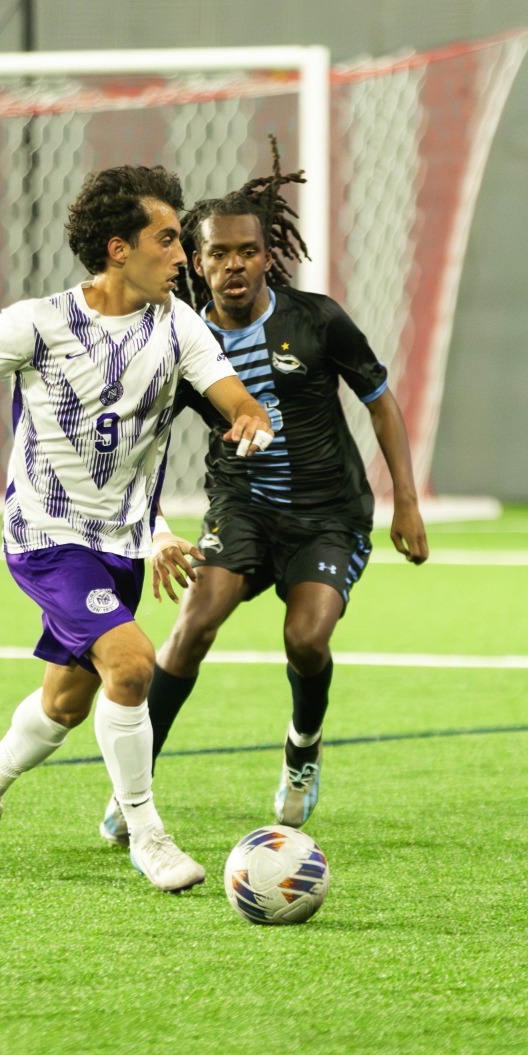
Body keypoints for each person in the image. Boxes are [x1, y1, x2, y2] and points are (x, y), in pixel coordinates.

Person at [0, 165, 275, 894]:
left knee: (64, 703)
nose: (183, 256)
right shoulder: (41, 322)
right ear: (119, 248)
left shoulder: (179, 324)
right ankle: (146, 830)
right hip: (46, 535)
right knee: (133, 664)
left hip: (120, 541)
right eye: (169, 239)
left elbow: (230, 393)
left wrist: (250, 416)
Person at [102, 151, 429, 845]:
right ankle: (136, 792)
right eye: (219, 253)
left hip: (328, 514)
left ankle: (303, 745)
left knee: (306, 640)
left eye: (249, 251)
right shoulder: (180, 345)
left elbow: (381, 402)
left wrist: (406, 499)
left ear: (266, 256)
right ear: (195, 260)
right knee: (193, 624)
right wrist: (156, 528)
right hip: (242, 506)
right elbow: (142, 448)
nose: (235, 265)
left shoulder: (317, 321)